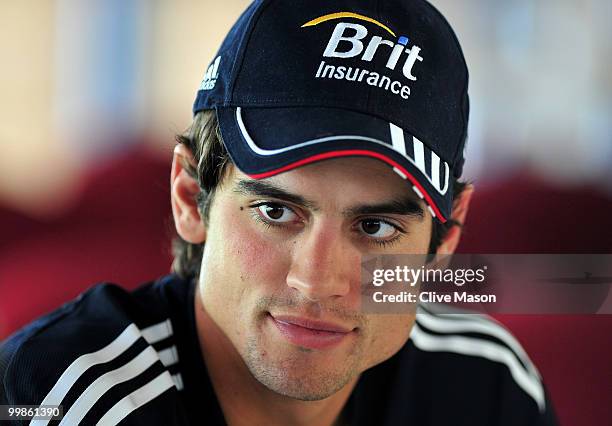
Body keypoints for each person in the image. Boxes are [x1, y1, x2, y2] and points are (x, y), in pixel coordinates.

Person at [0, 0, 559, 425]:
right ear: (191, 198)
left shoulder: (486, 389)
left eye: (375, 226)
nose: (317, 280)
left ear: (447, 236)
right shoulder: (57, 399)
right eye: (275, 211)